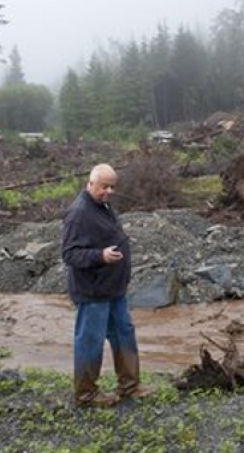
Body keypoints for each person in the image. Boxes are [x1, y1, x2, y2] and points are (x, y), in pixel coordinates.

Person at [61, 163, 148, 407]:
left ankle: (130, 386)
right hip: (93, 292)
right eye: (104, 187)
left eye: (112, 187)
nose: (109, 191)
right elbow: (69, 254)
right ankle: (86, 394)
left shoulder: (103, 205)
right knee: (90, 341)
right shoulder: (79, 213)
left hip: (114, 290)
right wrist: (100, 256)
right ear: (90, 184)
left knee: (124, 334)